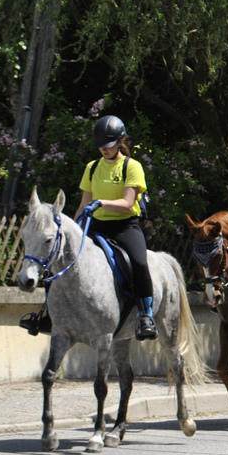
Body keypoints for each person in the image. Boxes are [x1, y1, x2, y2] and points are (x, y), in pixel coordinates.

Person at [75, 115, 157, 341]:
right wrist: (76, 227)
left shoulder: (132, 167)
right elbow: (83, 204)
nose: (104, 149)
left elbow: (128, 203)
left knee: (139, 263)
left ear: (121, 141)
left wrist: (101, 202)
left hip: (125, 227)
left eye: (109, 144)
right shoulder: (92, 168)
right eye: (100, 145)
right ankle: (48, 312)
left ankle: (146, 315)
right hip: (96, 226)